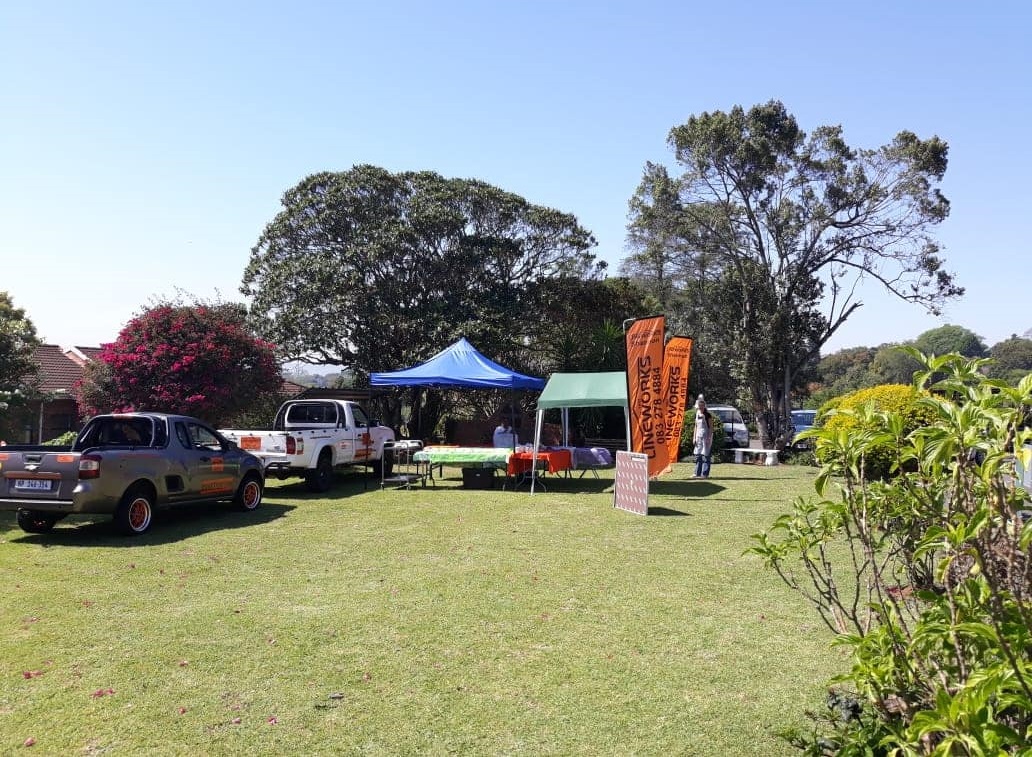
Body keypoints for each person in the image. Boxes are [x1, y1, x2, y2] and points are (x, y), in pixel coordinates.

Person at [692, 395, 714, 478]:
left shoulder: (708, 415)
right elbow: (696, 426)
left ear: (704, 406)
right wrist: (694, 437)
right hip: (698, 437)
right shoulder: (697, 414)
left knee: (706, 455)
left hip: (706, 437)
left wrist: (709, 438)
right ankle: (696, 473)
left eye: (702, 405)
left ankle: (705, 474)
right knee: (698, 455)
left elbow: (711, 428)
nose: (700, 407)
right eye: (699, 406)